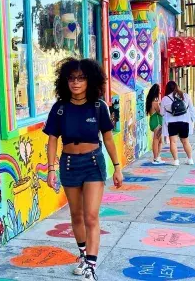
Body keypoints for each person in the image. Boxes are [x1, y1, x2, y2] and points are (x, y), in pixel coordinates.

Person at [43, 58, 123, 281]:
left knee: (90, 216)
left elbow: (108, 138)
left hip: (93, 163)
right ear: (65, 81)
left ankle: (91, 265)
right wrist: (51, 169)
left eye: (81, 78)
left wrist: (117, 167)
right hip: (68, 164)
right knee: (76, 215)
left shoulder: (99, 107)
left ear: (90, 80)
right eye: (71, 78)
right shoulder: (59, 109)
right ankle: (82, 254)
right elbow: (52, 140)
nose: (76, 83)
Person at [160, 81, 195, 166]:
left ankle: (176, 161)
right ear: (177, 87)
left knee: (173, 142)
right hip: (184, 122)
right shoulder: (185, 96)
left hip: (172, 123)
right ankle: (190, 159)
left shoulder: (165, 99)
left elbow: (162, 113)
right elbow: (191, 109)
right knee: (185, 142)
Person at [146, 84, 164, 164]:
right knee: (156, 140)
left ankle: (157, 156)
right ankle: (156, 158)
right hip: (157, 122)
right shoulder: (155, 102)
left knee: (160, 141)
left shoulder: (149, 101)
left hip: (153, 121)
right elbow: (160, 112)